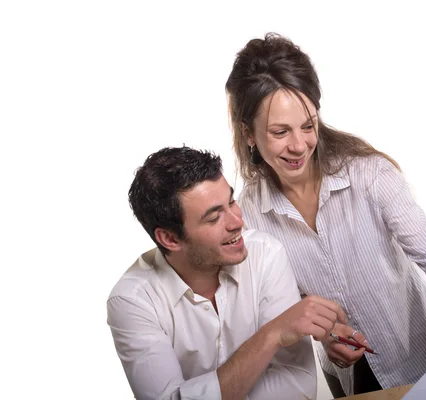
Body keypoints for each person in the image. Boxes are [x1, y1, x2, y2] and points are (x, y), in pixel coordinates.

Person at [224, 33, 426, 398]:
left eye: (308, 125)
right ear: (248, 134)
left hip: (414, 351)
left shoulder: (369, 173)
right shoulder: (248, 214)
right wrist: (325, 335)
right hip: (343, 370)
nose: (299, 146)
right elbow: (284, 303)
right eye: (280, 132)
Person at [106, 146, 347, 400]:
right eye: (213, 218)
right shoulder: (132, 300)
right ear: (169, 238)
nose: (237, 222)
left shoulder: (265, 255)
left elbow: (298, 386)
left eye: (231, 201)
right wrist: (271, 336)